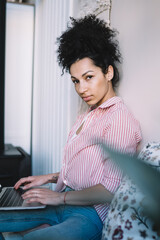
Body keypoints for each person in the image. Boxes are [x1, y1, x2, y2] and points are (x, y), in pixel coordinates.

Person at [0, 15, 141, 240]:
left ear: (109, 73)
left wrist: (60, 198)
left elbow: (109, 189)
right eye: (76, 80)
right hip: (64, 199)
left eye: (88, 77)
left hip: (89, 213)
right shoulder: (89, 115)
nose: (82, 88)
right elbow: (88, 170)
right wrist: (48, 178)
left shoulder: (119, 119)